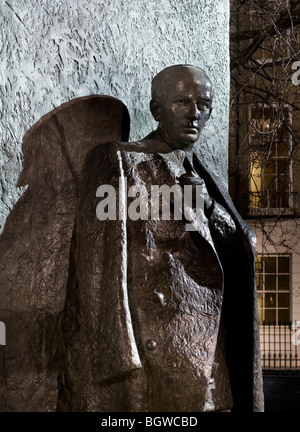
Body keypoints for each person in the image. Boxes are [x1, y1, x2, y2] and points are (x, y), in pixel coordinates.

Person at [57, 65, 264, 412]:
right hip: (155, 358)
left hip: (212, 355)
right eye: (183, 102)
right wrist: (119, 361)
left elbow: (236, 247)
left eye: (204, 104)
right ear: (157, 110)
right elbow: (99, 270)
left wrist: (209, 208)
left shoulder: (204, 175)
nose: (195, 113)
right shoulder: (120, 161)